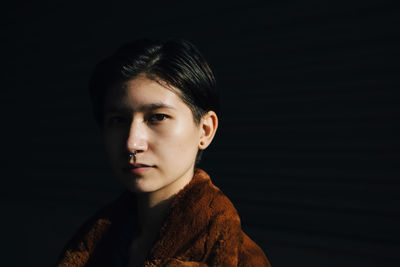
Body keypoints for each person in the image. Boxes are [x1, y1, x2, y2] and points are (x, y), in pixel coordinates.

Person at [55, 38, 271, 267]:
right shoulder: (91, 246)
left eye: (158, 117)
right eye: (118, 120)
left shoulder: (240, 259)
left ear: (205, 130)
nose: (132, 143)